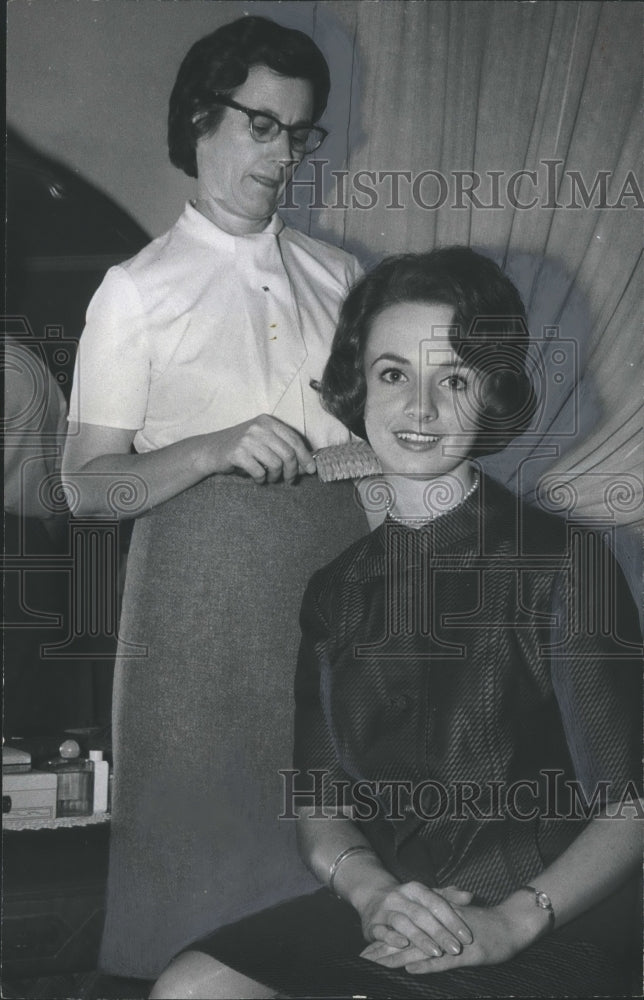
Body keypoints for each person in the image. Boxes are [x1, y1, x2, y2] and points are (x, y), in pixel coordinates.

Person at [151, 248, 642, 999]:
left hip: (556, 910)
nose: (419, 410)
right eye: (392, 375)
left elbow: (629, 809)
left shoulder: (565, 563)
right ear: (358, 386)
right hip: (398, 903)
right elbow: (321, 807)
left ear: (491, 395)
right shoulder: (335, 593)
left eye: (453, 379)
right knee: (190, 989)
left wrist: (514, 920)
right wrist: (375, 894)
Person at [62, 16, 368, 978]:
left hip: (339, 608)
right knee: (201, 915)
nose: (283, 154)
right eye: (262, 125)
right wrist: (213, 447)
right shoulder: (133, 291)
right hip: (200, 638)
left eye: (301, 132)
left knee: (335, 900)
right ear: (201, 116)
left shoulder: (345, 277)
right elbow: (87, 487)